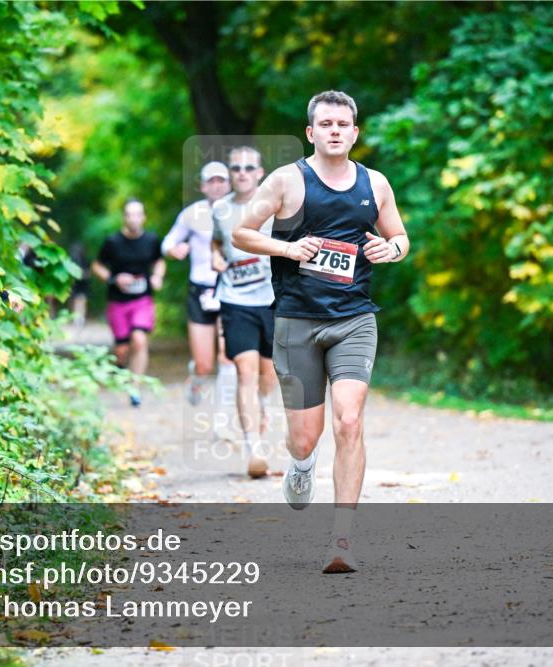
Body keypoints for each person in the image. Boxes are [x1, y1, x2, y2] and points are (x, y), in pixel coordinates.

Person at [233, 90, 410, 573]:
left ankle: (342, 541)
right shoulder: (288, 180)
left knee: (349, 421)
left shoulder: (375, 184)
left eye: (343, 123)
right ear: (311, 133)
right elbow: (241, 233)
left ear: (355, 132)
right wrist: (289, 250)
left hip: (354, 318)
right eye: (325, 123)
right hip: (296, 320)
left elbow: (400, 238)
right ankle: (303, 465)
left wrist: (389, 252)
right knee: (304, 439)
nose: (335, 130)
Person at [212, 147, 278, 479]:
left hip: (271, 300)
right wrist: (216, 257)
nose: (241, 173)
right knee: (245, 372)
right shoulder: (220, 209)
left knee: (269, 376)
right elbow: (216, 242)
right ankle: (254, 447)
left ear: (259, 172)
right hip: (235, 300)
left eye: (248, 167)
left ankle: (265, 406)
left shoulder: (274, 208)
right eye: (235, 167)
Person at [162, 161, 234, 407]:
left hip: (230, 289)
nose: (216, 186)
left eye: (221, 180)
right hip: (200, 290)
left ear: (228, 184)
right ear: (203, 186)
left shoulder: (242, 211)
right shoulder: (192, 214)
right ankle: (197, 377)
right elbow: (167, 243)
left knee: (228, 356)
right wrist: (174, 249)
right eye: (211, 181)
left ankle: (224, 419)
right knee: (205, 364)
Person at [91, 199, 166, 407]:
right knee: (122, 350)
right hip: (117, 301)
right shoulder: (112, 242)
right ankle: (122, 369)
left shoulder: (151, 240)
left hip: (142, 300)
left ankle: (135, 388)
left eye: (137, 214)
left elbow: (159, 261)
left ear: (143, 217)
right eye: (129, 215)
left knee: (139, 339)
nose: (134, 218)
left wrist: (157, 277)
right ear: (124, 217)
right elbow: (97, 265)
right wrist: (113, 279)